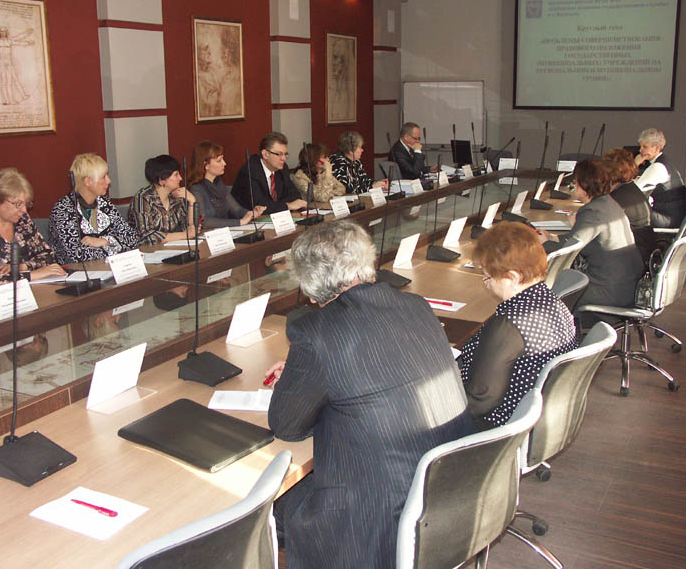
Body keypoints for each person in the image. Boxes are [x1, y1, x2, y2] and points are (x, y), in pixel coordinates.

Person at [265, 220, 473, 569]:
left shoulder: (315, 332)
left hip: (377, 514)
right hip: (449, 484)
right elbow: (381, 366)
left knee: (268, 507)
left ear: (310, 286)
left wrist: (308, 380)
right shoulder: (415, 305)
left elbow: (287, 426)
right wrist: (315, 374)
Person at [458, 222, 576, 430]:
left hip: (499, 427)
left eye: (487, 276)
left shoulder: (510, 326)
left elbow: (480, 400)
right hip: (536, 416)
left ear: (512, 277)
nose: (486, 283)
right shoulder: (551, 301)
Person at [538, 160, 644, 318]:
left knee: (544, 293)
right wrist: (552, 238)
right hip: (627, 283)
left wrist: (544, 243)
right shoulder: (608, 203)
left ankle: (553, 332)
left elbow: (569, 250)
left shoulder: (593, 211)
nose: (574, 185)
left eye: (576, 182)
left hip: (610, 289)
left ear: (585, 184)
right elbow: (578, 240)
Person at [0, 168, 65, 289]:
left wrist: (22, 267)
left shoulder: (22, 220)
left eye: (26, 204)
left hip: (26, 292)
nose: (24, 210)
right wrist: (29, 275)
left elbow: (48, 255)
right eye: (18, 204)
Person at [48, 153, 138, 264]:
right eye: (103, 177)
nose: (109, 181)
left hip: (107, 267)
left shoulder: (104, 203)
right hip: (75, 272)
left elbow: (132, 238)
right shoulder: (63, 210)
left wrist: (105, 241)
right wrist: (114, 247)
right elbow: (75, 255)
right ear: (87, 182)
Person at [188, 141, 265, 228]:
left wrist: (251, 213)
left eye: (223, 159)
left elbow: (237, 210)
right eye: (219, 161)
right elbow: (204, 221)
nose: (224, 163)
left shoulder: (218, 183)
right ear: (206, 165)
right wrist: (240, 222)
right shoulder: (196, 189)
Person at [231, 132, 307, 214]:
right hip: (246, 219)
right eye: (279, 154)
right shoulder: (250, 171)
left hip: (274, 218)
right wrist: (288, 206)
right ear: (265, 154)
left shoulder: (282, 168)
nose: (284, 158)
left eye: (285, 154)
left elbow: (295, 196)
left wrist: (278, 206)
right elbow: (259, 205)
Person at [128, 155, 195, 246]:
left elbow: (189, 229)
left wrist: (192, 202)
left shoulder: (176, 197)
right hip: (147, 251)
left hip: (172, 248)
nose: (180, 178)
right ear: (162, 179)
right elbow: (146, 236)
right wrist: (183, 235)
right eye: (176, 174)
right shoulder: (143, 198)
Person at [602, 147, 656, 262]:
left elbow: (600, 231)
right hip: (644, 251)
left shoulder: (616, 199)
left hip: (628, 258)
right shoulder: (632, 189)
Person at [633, 128, 686, 228]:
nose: (640, 150)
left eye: (645, 147)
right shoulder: (666, 163)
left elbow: (633, 191)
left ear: (656, 148)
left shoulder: (657, 167)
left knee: (631, 212)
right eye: (640, 146)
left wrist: (634, 165)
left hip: (668, 219)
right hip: (678, 217)